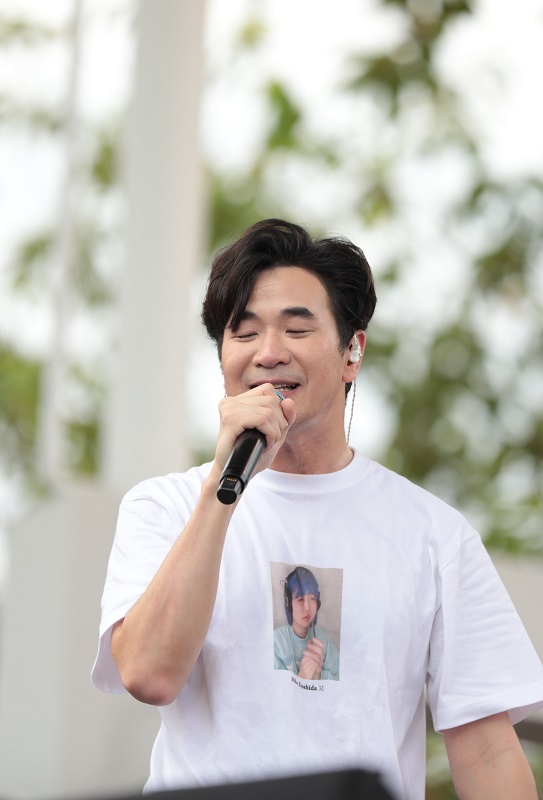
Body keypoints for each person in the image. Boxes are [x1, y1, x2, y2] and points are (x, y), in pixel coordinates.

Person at [92, 218, 543, 799]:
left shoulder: (433, 534)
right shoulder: (165, 506)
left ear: (352, 351)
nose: (268, 353)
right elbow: (149, 674)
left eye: (296, 329)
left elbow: (487, 753)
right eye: (244, 333)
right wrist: (222, 490)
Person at [274, 565, 340, 680]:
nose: (307, 608)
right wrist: (302, 676)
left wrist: (319, 677)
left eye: (312, 599)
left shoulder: (324, 639)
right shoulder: (275, 642)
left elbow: (339, 679)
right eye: (300, 599)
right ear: (288, 603)